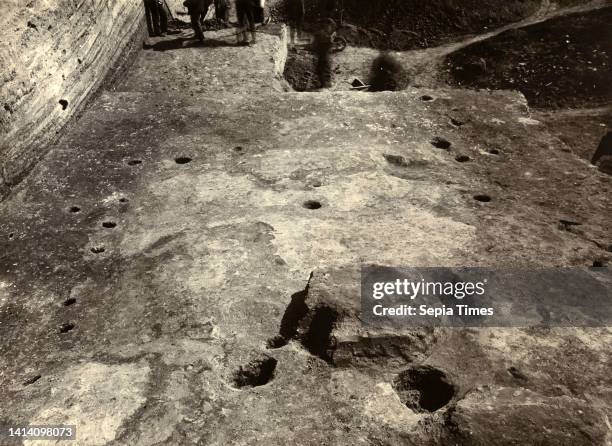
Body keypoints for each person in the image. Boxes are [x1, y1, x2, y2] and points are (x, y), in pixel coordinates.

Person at [312, 18, 337, 88]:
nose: (327, 27)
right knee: (321, 68)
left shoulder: (328, 35)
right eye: (326, 26)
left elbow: (327, 40)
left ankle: (325, 85)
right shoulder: (324, 33)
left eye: (328, 26)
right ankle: (324, 83)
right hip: (322, 53)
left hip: (324, 54)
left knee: (323, 68)